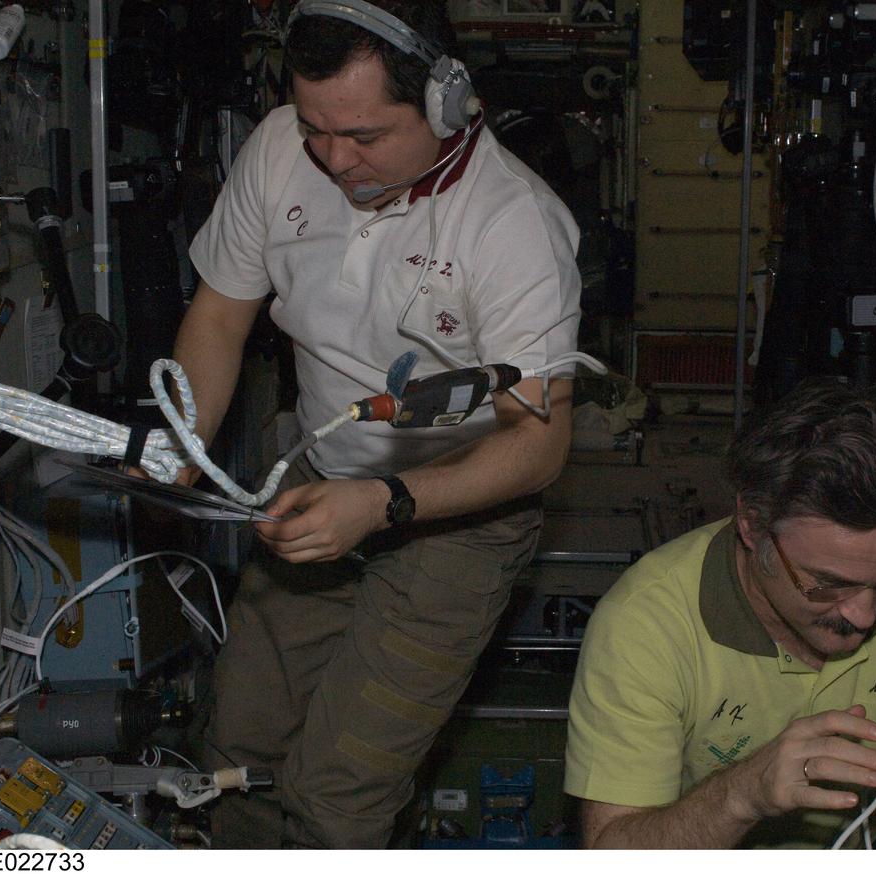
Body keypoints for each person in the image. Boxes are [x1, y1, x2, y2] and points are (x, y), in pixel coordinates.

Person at [176, 0, 581, 848]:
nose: (334, 157)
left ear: (446, 101)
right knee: (236, 750)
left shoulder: (512, 225)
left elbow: (538, 443)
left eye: (363, 135)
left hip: (459, 515)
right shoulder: (283, 149)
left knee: (338, 793)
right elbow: (219, 317)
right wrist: (183, 438)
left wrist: (383, 502)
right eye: (316, 128)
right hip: (321, 478)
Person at [564, 380, 876, 848]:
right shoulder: (643, 627)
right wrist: (743, 793)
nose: (861, 615)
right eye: (827, 584)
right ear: (752, 525)